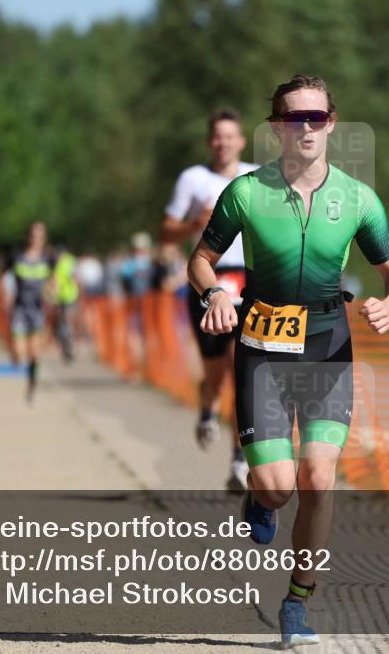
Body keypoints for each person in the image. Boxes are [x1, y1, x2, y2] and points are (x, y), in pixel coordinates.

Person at [187, 75, 389, 647]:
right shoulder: (245, 192)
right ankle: (260, 498)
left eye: (315, 116)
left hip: (328, 349)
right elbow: (202, 260)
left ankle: (296, 604)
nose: (305, 126)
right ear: (276, 128)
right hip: (262, 349)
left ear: (332, 121)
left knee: (319, 478)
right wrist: (214, 293)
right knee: (280, 488)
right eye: (293, 117)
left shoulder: (358, 198)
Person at [160, 108, 259, 494]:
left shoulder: (257, 178)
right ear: (209, 142)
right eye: (216, 137)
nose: (223, 143)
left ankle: (238, 462)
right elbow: (166, 234)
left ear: (241, 141)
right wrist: (192, 224)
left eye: (229, 136)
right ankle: (206, 410)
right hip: (207, 281)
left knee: (243, 374)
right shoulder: (193, 179)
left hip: (249, 281)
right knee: (216, 377)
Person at [5, 222, 52, 403]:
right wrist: (6, 293)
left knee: (34, 355)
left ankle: (32, 386)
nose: (36, 240)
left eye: (40, 236)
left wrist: (52, 292)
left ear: (44, 238)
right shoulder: (18, 258)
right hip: (19, 309)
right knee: (20, 354)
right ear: (28, 237)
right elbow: (4, 275)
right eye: (33, 236)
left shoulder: (48, 259)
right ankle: (14, 353)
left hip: (37, 311)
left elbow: (53, 281)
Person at [52, 245, 79, 363]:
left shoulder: (64, 263)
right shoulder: (67, 262)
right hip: (64, 298)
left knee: (66, 323)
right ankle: (66, 346)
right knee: (64, 323)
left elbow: (73, 278)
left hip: (69, 297)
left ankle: (68, 346)